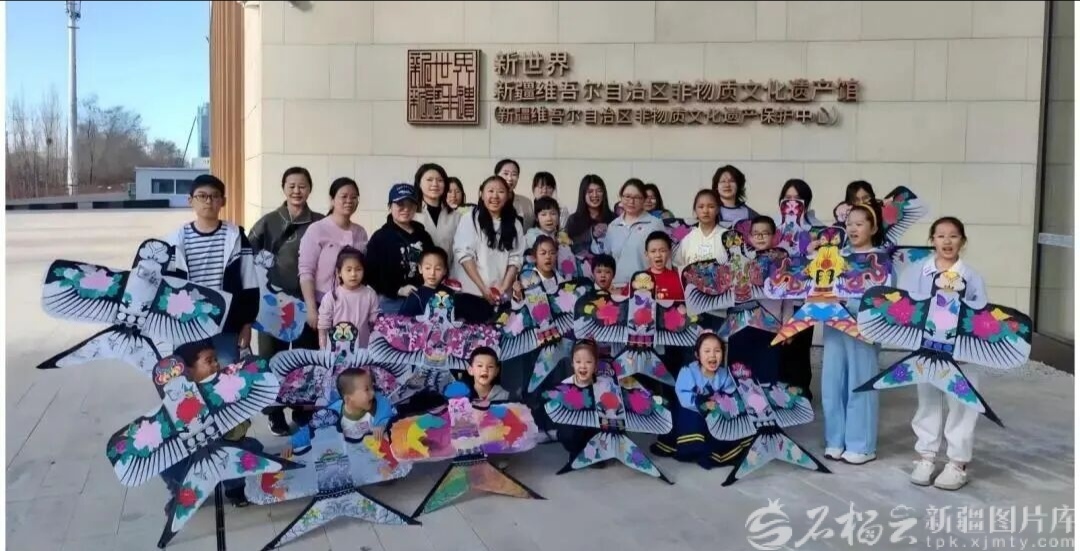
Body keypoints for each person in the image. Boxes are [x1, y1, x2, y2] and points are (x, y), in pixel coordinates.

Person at [903, 217, 987, 491]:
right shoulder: (917, 271)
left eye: (953, 236)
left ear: (962, 240)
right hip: (927, 352)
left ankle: (957, 463)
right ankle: (926, 457)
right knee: (928, 401)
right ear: (932, 240)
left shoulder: (971, 276)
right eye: (941, 236)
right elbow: (905, 307)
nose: (947, 241)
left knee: (962, 404)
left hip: (961, 353)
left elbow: (979, 316)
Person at [248, 167, 323, 436]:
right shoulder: (268, 222)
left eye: (302, 186)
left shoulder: (320, 223)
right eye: (291, 186)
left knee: (305, 358)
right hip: (272, 305)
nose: (296, 191)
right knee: (271, 359)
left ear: (310, 189)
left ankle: (303, 410)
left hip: (307, 303)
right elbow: (247, 257)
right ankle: (274, 411)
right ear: (283, 188)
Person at [164, 174, 258, 367]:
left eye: (215, 196)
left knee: (226, 373)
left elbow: (249, 282)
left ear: (223, 201)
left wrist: (247, 323)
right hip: (187, 324)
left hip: (226, 324)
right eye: (202, 196)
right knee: (190, 373)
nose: (208, 201)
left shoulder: (236, 237)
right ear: (190, 200)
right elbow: (167, 286)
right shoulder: (175, 240)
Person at [819, 202, 885, 465]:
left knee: (861, 382)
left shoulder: (881, 260)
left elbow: (885, 299)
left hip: (863, 328)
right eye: (849, 224)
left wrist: (855, 304)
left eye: (860, 223)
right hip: (834, 326)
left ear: (873, 228)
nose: (853, 228)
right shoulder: (835, 256)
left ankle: (862, 445)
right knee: (832, 383)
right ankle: (835, 440)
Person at [161, 339, 262, 507]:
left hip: (224, 446)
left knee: (245, 449)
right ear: (188, 371)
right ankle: (183, 492)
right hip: (193, 454)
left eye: (216, 359)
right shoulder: (178, 399)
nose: (216, 364)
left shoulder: (226, 388)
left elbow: (239, 431)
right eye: (209, 361)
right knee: (166, 461)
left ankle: (235, 488)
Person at [650, 333, 748, 469]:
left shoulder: (724, 374)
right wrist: (703, 404)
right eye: (707, 351)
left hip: (714, 411)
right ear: (697, 355)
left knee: (728, 415)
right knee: (687, 415)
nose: (712, 355)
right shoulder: (688, 371)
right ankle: (692, 447)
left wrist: (720, 403)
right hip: (691, 409)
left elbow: (730, 393)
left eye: (717, 351)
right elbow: (683, 397)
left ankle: (717, 448)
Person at [298, 177, 370, 332]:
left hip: (351, 307)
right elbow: (306, 271)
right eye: (344, 196)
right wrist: (311, 308)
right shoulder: (317, 229)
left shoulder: (360, 232)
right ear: (332, 200)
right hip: (320, 304)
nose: (349, 201)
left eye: (354, 197)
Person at [451, 175, 525, 324]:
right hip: (470, 294)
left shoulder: (514, 223)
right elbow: (464, 255)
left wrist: (503, 288)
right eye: (490, 191)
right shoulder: (470, 218)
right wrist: (483, 288)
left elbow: (515, 258)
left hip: (501, 296)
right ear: (481, 194)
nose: (495, 196)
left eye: (501, 192)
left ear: (508, 195)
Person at [774, 179, 823, 401]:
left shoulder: (815, 229)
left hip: (804, 300)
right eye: (788, 198)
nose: (792, 203)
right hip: (777, 299)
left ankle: (801, 396)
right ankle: (780, 397)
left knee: (801, 349)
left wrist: (811, 250)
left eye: (797, 198)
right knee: (780, 349)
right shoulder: (774, 228)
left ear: (806, 202)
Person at [726, 215, 786, 386]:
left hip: (771, 326)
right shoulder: (738, 261)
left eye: (765, 233)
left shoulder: (782, 261)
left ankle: (766, 401)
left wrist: (787, 325)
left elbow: (789, 297)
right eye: (756, 233)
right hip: (741, 325)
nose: (760, 237)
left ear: (774, 236)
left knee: (767, 373)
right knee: (739, 372)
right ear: (750, 237)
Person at [282, 368, 395, 456]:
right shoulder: (331, 414)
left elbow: (392, 419)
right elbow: (311, 430)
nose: (373, 393)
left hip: (372, 455)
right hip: (343, 456)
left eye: (372, 387)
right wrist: (292, 443)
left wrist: (383, 425)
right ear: (348, 399)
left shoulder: (380, 404)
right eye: (367, 389)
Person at [365, 183, 435, 313]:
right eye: (400, 204)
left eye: (410, 205)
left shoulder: (424, 236)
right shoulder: (380, 237)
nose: (406, 209)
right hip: (391, 302)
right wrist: (398, 290)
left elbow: (434, 263)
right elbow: (370, 274)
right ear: (390, 207)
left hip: (422, 298)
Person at [605, 178, 665, 290]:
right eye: (627, 196)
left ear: (644, 199)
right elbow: (607, 262)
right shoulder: (613, 226)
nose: (631, 202)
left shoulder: (654, 224)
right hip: (617, 289)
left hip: (646, 289)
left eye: (637, 197)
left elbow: (664, 259)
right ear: (621, 197)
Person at [554, 340, 605, 468]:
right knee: (568, 434)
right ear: (572, 363)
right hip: (575, 427)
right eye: (578, 362)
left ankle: (594, 451)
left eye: (588, 362)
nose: (583, 366)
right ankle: (576, 450)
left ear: (596, 365)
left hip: (595, 426)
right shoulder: (565, 386)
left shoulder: (604, 385)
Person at [317, 247, 380, 350]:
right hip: (335, 351)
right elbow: (323, 327)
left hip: (362, 351)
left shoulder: (370, 294)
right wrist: (323, 349)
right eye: (348, 270)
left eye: (358, 269)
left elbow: (376, 324)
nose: (353, 274)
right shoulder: (331, 297)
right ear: (339, 272)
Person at [413, 163, 463, 256]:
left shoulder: (456, 216)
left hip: (450, 265)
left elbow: (461, 250)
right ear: (419, 183)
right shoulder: (412, 214)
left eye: (440, 180)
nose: (435, 184)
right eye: (429, 180)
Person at [565, 174, 616, 256]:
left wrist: (610, 231)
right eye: (590, 191)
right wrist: (591, 233)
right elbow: (568, 246)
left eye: (599, 191)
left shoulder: (614, 219)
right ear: (583, 194)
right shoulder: (573, 220)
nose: (595, 195)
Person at [400, 247, 457, 317]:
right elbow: (402, 320)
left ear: (445, 270)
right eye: (428, 268)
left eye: (438, 269)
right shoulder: (415, 296)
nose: (432, 273)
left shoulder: (450, 293)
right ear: (420, 269)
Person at [495, 159, 534, 229]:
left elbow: (529, 229)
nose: (510, 178)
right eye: (506, 174)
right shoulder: (489, 202)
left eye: (514, 174)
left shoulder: (526, 203)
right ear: (496, 176)